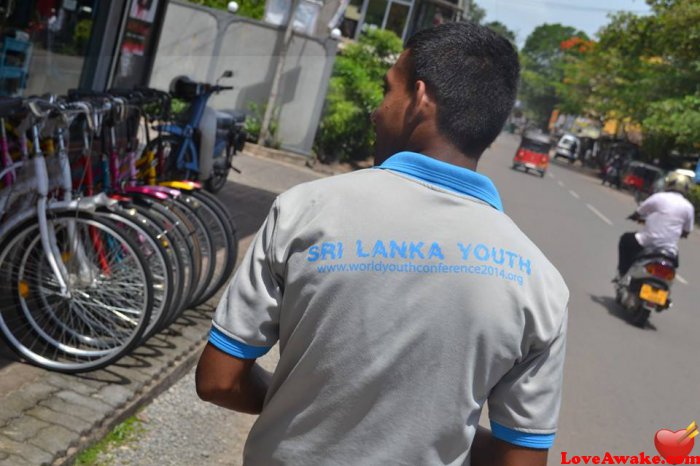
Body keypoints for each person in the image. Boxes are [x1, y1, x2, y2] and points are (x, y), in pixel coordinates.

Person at [196, 22, 569, 466]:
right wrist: (435, 434)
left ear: (420, 99)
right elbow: (522, 457)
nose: (377, 110)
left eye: (386, 90)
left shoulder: (305, 210)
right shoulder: (539, 282)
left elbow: (218, 379)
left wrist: (305, 407)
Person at [617, 172, 695, 277]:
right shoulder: (689, 207)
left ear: (669, 184)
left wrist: (634, 216)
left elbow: (639, 212)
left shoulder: (658, 197)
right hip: (669, 250)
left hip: (647, 242)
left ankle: (622, 273)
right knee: (674, 265)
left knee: (625, 239)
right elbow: (686, 231)